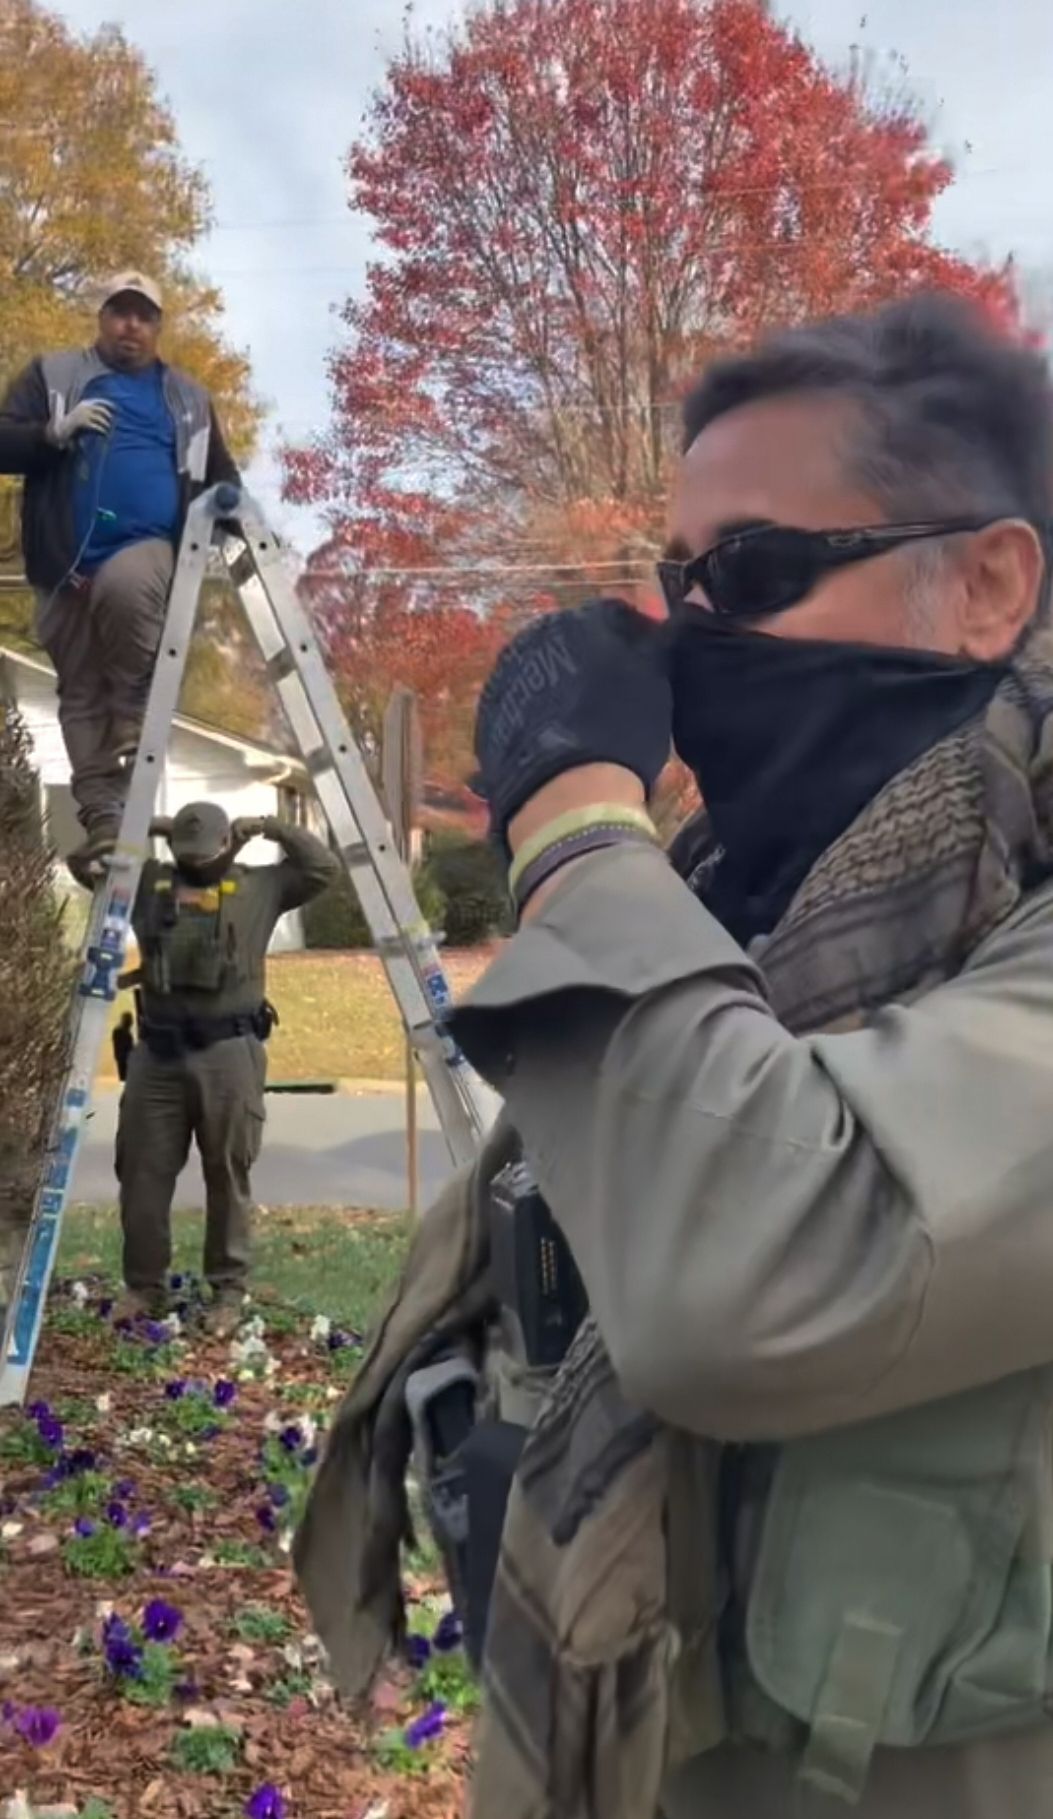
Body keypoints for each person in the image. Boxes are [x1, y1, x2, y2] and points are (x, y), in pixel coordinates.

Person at [295, 295, 1053, 1819]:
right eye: (677, 584)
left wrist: (579, 828)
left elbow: (745, 1281)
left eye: (754, 573)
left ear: (987, 585)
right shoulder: (727, 903)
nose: (693, 635)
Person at [0, 271, 241, 886]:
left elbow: (222, 477)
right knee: (79, 692)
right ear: (101, 317)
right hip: (62, 562)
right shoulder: (53, 376)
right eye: (120, 312)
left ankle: (135, 719)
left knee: (126, 588)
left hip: (145, 546)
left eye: (143, 316)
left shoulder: (186, 399)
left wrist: (236, 522)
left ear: (157, 327)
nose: (130, 325)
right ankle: (102, 812)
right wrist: (52, 433)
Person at [109, 800, 338, 1336]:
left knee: (228, 1172)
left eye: (205, 855)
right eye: (185, 854)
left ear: (227, 846)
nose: (196, 864)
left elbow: (322, 868)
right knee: (141, 1171)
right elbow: (85, 863)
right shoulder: (146, 884)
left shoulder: (261, 888)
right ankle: (143, 1285)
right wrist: (141, 824)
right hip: (158, 1054)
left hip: (229, 1051)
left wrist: (272, 827)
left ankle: (228, 1292)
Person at [111, 1012, 135, 1085]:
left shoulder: (117, 1030)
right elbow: (129, 1046)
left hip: (120, 1057)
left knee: (123, 1078)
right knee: (126, 1077)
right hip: (125, 1058)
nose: (132, 1022)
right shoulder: (125, 1033)